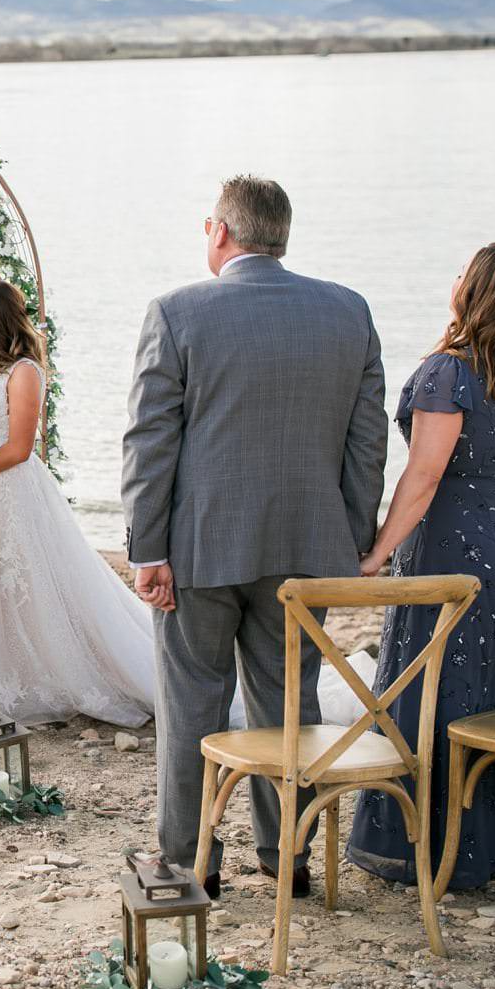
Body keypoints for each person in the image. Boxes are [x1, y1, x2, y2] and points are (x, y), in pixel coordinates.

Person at [121, 176, 385, 898]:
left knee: (191, 705)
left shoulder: (177, 312)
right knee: (285, 701)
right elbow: (366, 447)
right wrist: (354, 541)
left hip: (199, 551)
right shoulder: (348, 311)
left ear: (220, 232)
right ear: (283, 235)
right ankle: (285, 855)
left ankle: (187, 860)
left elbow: (150, 441)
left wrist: (147, 549)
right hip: (307, 553)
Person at [347, 244, 495, 888]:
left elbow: (423, 475)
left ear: (474, 294)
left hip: (448, 545)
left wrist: (378, 551)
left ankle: (437, 841)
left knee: (436, 680)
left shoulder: (449, 373)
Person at [0, 282, 162, 724]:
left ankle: (40, 679)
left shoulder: (25, 371)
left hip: (9, 493)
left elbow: (19, 448)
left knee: (25, 587)